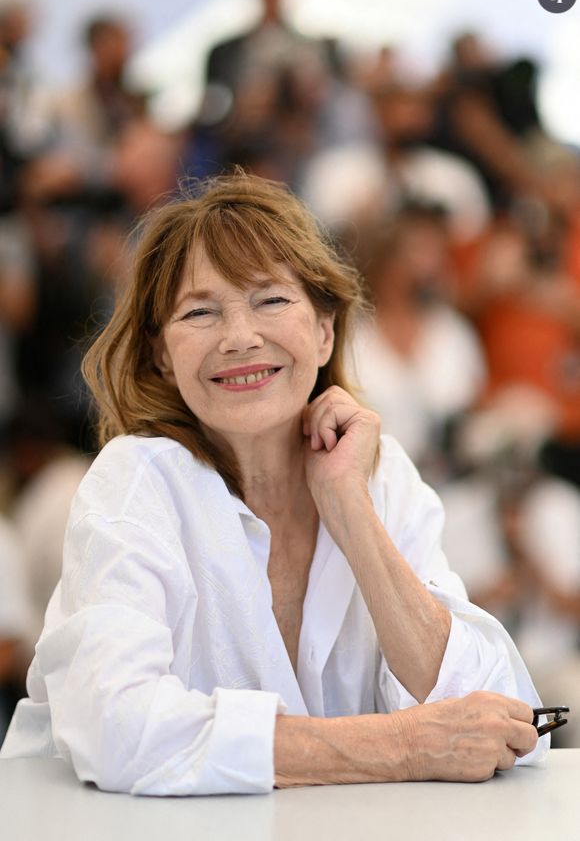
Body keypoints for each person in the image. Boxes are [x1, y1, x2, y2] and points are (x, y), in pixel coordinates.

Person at [1, 173, 546, 793]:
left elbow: (501, 716)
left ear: (324, 330)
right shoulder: (136, 480)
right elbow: (116, 726)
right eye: (200, 312)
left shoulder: (380, 471)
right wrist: (400, 744)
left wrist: (349, 509)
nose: (239, 338)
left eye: (271, 300)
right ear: (160, 354)